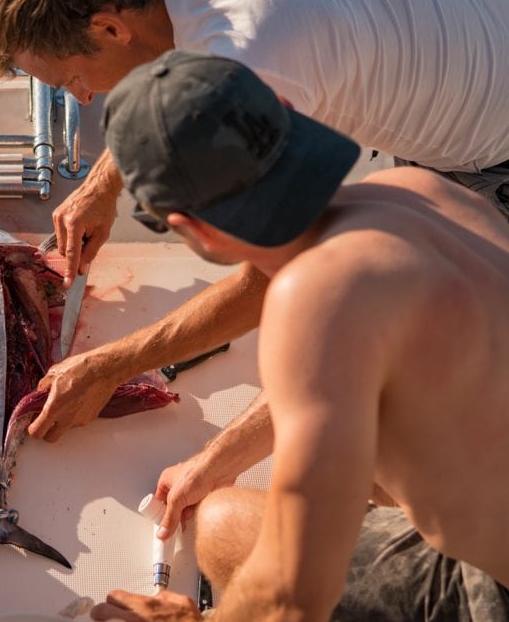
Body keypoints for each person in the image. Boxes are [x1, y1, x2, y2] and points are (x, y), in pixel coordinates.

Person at [0, 0, 509, 443]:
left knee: (417, 395)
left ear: (110, 28)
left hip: (492, 155)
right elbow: (174, 64)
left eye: (72, 80)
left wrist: (115, 364)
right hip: (482, 15)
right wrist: (102, 184)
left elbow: (282, 268)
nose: (82, 98)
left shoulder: (252, 62)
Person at [87, 50, 509, 621]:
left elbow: (292, 599)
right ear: (284, 114)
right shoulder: (420, 191)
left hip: (492, 590)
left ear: (191, 227)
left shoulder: (316, 302)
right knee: (221, 525)